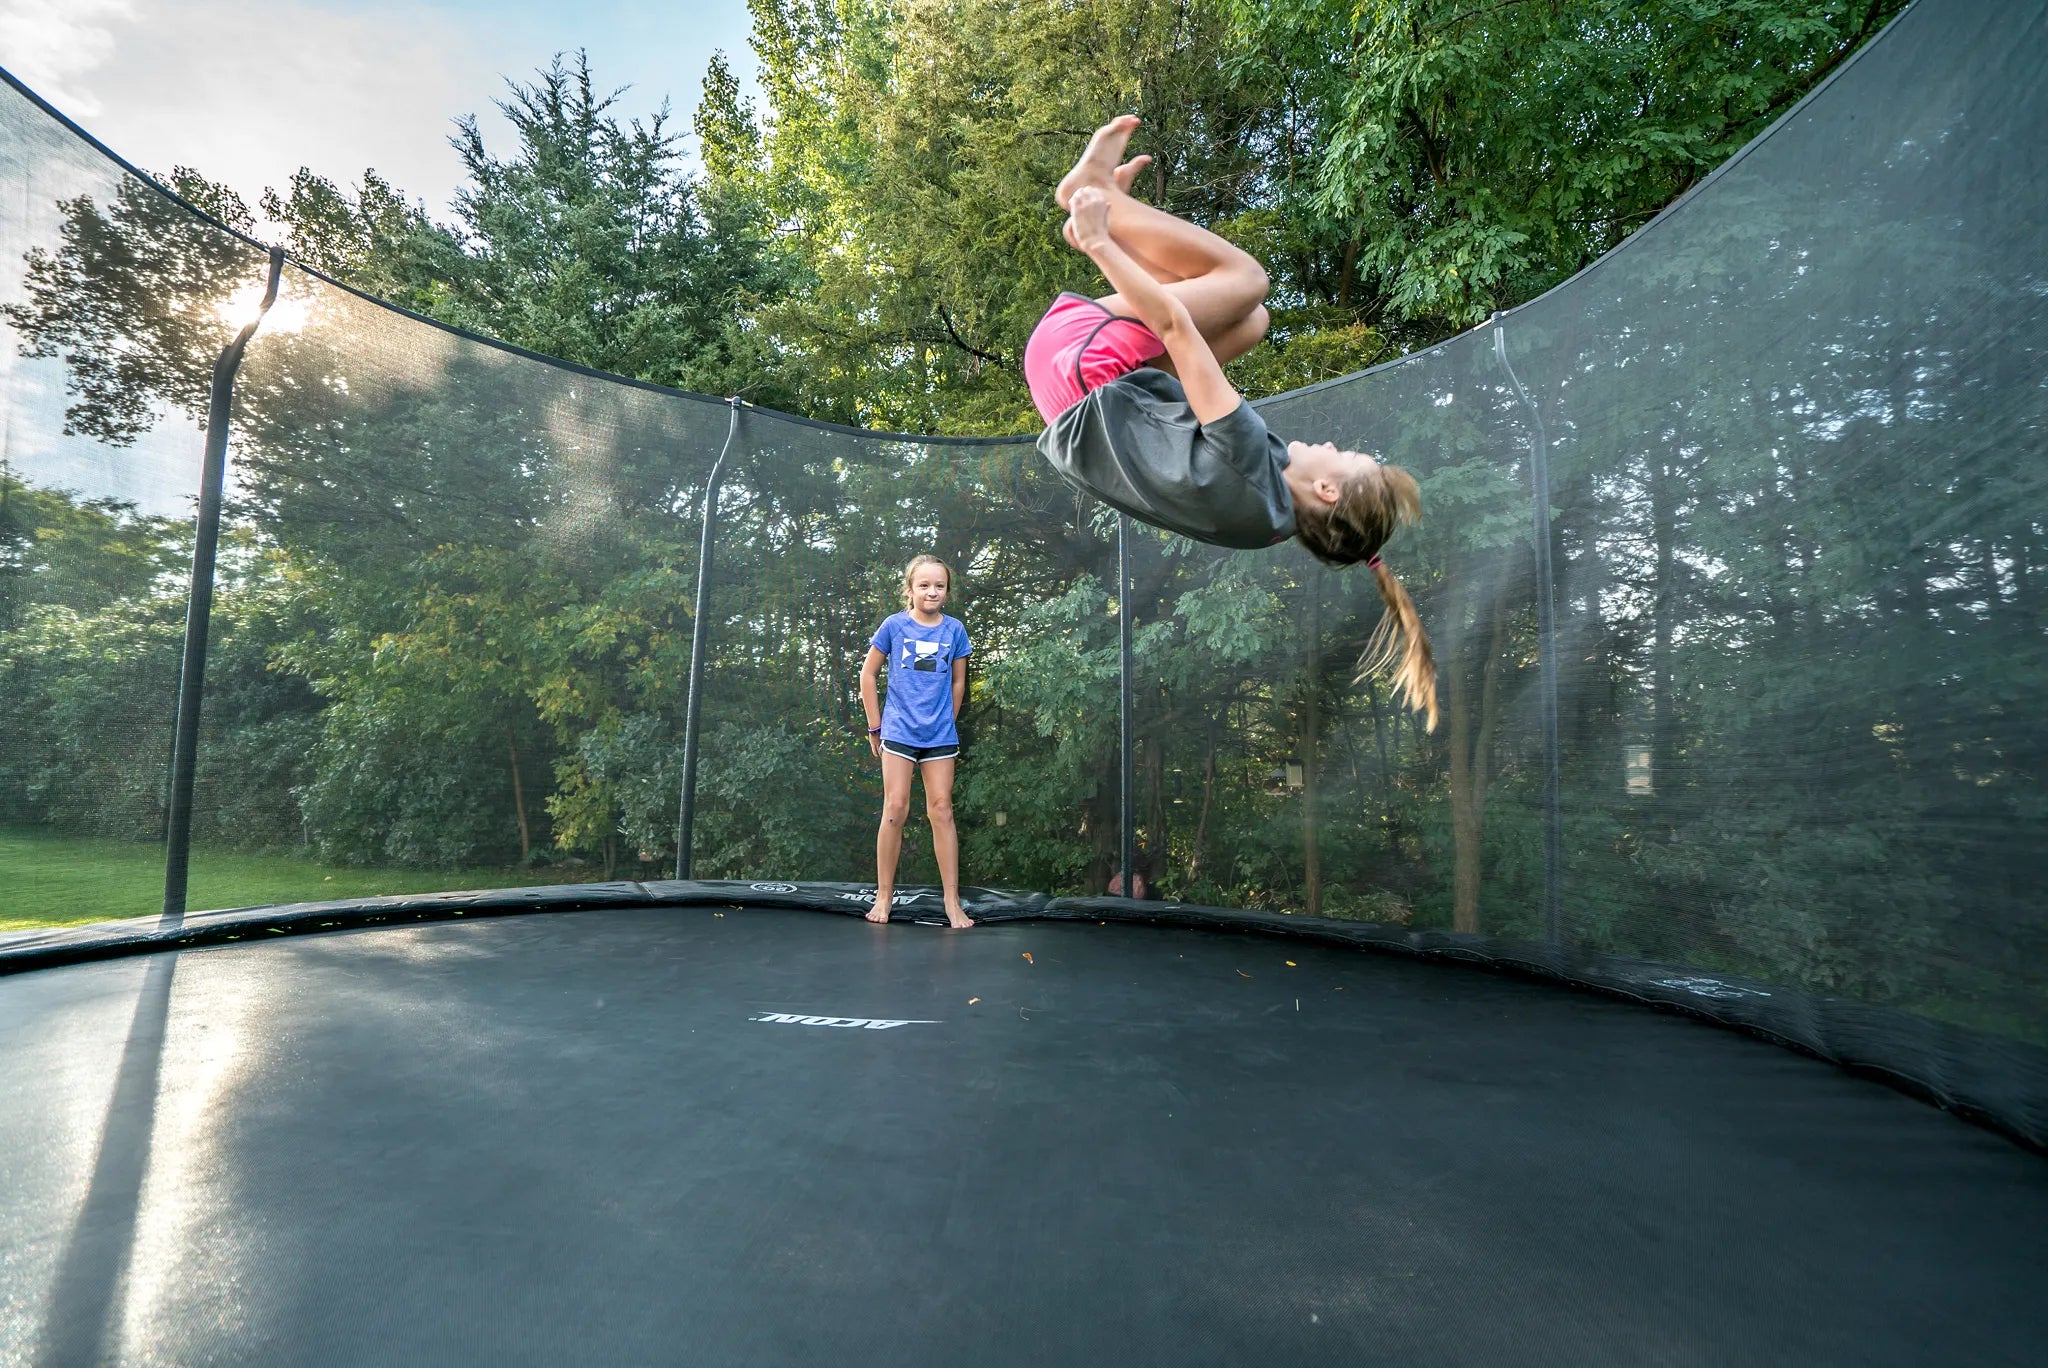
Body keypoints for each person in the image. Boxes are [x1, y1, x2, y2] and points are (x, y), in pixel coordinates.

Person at [1026, 115, 1438, 728]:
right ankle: (1112, 210)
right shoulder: (1267, 519)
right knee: (1252, 321)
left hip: (1077, 366)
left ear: (1327, 490)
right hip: (1074, 404)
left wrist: (1100, 243)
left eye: (1343, 454)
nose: (1329, 442)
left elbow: (1175, 326)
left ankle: (1097, 201)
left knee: (1249, 281)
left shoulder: (1251, 461)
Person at [860, 554, 974, 928]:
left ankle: (952, 901)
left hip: (939, 733)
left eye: (939, 586)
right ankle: (883, 896)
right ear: (909, 590)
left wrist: (948, 719)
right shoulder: (894, 626)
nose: (932, 591)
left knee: (941, 811)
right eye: (924, 585)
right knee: (895, 810)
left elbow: (958, 682)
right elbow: (868, 676)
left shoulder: (954, 630)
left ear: (947, 591)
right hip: (898, 731)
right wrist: (876, 726)